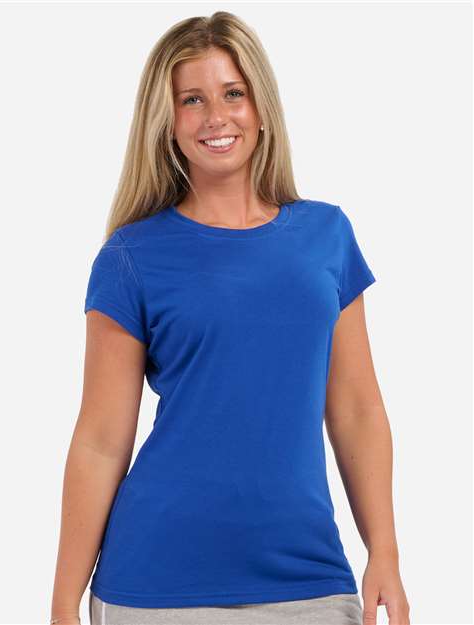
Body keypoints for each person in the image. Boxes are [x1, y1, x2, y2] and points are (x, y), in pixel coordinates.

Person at [50, 10, 410, 625]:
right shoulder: (131, 256)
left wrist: (386, 552)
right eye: (191, 99)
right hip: (152, 586)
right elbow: (101, 440)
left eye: (233, 93)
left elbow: (357, 409)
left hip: (308, 580)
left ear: (261, 107)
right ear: (167, 122)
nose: (215, 116)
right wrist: (63, 602)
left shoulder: (326, 236)